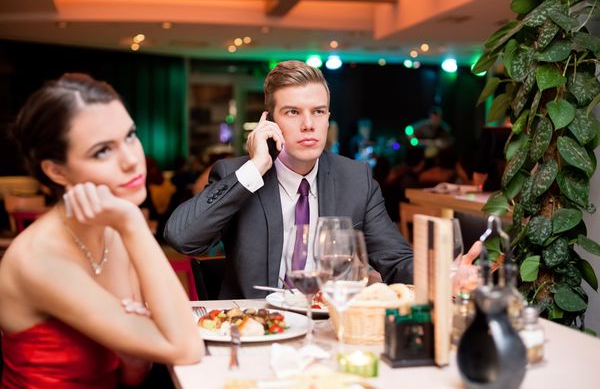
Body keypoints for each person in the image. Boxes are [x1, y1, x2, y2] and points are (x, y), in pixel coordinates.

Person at [0, 73, 204, 388]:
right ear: (56, 170)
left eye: (131, 136)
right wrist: (134, 223)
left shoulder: (113, 228)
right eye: (102, 151)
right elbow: (187, 348)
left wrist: (137, 361)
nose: (132, 160)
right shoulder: (38, 260)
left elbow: (137, 370)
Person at [165, 60, 414, 299]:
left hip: (328, 327)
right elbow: (181, 238)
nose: (308, 124)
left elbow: (397, 260)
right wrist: (256, 167)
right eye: (293, 112)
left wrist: (448, 274)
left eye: (318, 112)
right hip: (257, 329)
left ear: (328, 118)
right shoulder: (238, 174)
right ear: (270, 122)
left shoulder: (355, 179)